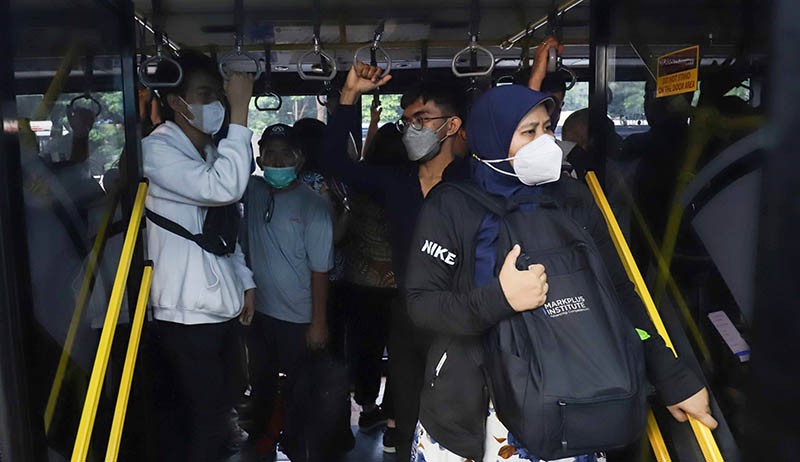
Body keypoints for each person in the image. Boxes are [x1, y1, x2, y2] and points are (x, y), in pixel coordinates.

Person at [405, 84, 717, 461]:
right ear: (491, 138)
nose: (545, 141)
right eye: (529, 131)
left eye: (548, 128)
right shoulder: (451, 207)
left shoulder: (572, 199)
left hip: (572, 406)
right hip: (474, 417)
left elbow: (618, 293)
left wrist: (672, 376)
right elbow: (423, 305)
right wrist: (500, 299)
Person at [318, 62, 470, 459]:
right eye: (407, 121)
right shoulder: (396, 181)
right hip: (407, 315)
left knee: (458, 414)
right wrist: (349, 95)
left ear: (452, 125)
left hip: (461, 317)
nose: (412, 129)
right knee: (405, 411)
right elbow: (334, 161)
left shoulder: (472, 181)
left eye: (422, 119)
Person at [142, 50, 256, 461]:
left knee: (220, 408)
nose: (217, 105)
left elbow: (224, 232)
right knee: (204, 419)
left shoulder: (208, 153)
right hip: (185, 315)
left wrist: (244, 282)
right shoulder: (157, 152)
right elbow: (222, 189)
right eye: (205, 95)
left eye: (219, 97)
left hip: (217, 308)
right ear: (177, 103)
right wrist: (240, 113)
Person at [240, 123, 335, 461]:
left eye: (285, 154)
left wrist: (318, 323)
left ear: (299, 159)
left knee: (300, 391)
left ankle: (297, 449)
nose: (277, 161)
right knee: (261, 382)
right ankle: (262, 441)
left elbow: (320, 271)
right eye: (270, 154)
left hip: (298, 317)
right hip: (258, 312)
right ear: (259, 159)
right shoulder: (252, 191)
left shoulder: (314, 207)